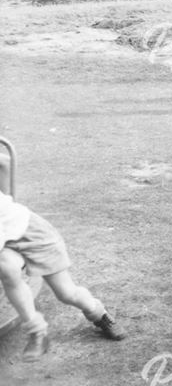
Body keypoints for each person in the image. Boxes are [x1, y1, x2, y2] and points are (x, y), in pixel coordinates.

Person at [0, 154, 124, 360]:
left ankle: (99, 314)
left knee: (67, 294)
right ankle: (38, 334)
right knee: (8, 270)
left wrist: (6, 197)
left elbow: (3, 160)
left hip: (33, 234)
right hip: (5, 239)